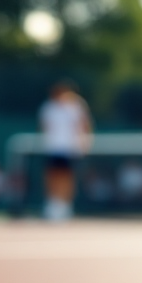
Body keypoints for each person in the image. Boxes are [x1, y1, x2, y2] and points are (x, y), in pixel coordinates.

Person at [39, 80, 92, 221]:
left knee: (68, 178)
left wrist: (85, 142)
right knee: (51, 176)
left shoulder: (76, 106)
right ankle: (52, 205)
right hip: (53, 148)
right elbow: (44, 126)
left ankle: (65, 206)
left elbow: (84, 125)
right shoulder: (48, 107)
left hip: (70, 148)